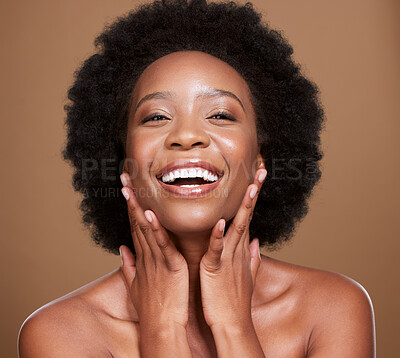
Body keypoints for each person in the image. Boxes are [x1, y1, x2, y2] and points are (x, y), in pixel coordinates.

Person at [18, 0, 375, 357]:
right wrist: (162, 329)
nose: (187, 136)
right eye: (156, 117)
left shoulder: (332, 309)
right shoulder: (61, 334)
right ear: (123, 162)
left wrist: (234, 327)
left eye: (220, 114)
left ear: (260, 159)